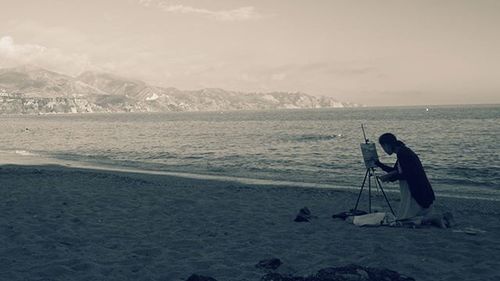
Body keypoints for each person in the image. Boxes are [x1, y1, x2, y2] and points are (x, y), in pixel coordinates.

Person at [375, 133, 453, 228]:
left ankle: (434, 218)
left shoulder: (403, 153)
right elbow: (396, 171)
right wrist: (379, 164)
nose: (384, 150)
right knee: (406, 218)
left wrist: (389, 177)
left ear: (387, 145)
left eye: (383, 147)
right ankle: (437, 218)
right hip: (418, 188)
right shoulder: (402, 151)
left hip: (415, 190)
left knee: (404, 220)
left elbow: (406, 174)